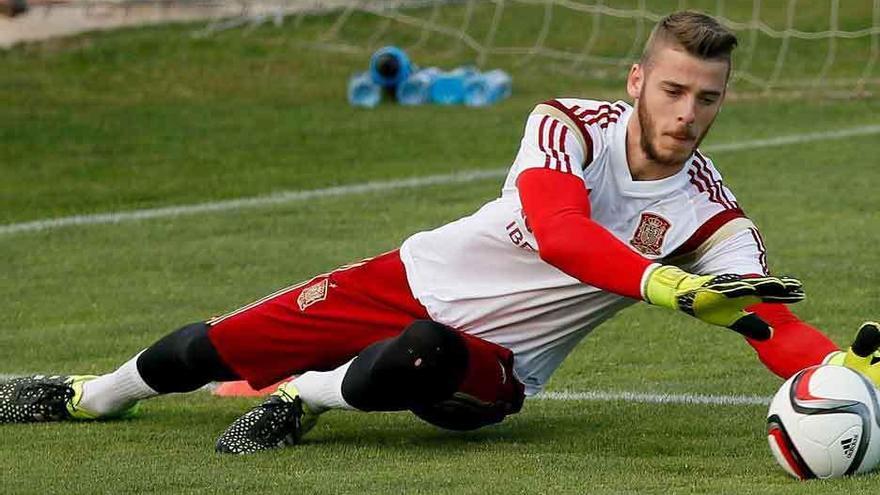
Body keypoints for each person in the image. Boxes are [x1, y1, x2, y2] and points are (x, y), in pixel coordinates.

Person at [2, 10, 877, 454]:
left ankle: (302, 399)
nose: (688, 114)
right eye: (674, 90)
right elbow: (561, 231)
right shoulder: (565, 126)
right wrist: (659, 282)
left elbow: (765, 319)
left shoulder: (710, 214)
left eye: (708, 97)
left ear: (725, 99)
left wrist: (843, 369)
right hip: (411, 274)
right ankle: (86, 392)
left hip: (488, 368)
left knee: (422, 350)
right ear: (638, 79)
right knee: (216, 343)